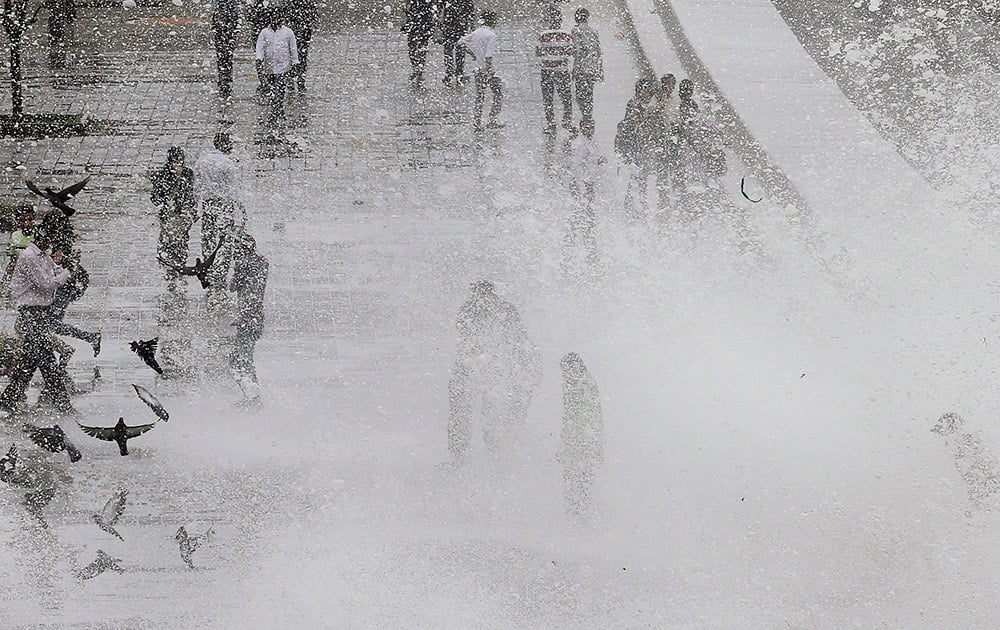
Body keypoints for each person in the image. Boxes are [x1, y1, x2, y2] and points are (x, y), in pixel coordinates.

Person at [447, 280, 541, 463]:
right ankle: (494, 455)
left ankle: (463, 456)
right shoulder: (503, 309)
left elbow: (464, 336)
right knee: (488, 414)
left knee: (466, 414)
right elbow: (518, 339)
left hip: (477, 369)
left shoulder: (470, 309)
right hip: (489, 370)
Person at [0, 222, 74, 416]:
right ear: (43, 237)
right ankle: (63, 403)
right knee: (47, 358)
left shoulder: (43, 256)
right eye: (50, 237)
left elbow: (54, 272)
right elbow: (46, 284)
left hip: (39, 313)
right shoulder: (30, 256)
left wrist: (63, 266)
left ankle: (8, 400)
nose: (51, 241)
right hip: (30, 314)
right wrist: (68, 272)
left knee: (30, 359)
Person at [194, 133, 246, 311]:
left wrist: (196, 205)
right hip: (224, 205)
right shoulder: (227, 164)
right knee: (225, 239)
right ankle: (221, 271)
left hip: (208, 204)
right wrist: (239, 206)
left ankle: (208, 266)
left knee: (208, 236)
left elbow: (197, 185)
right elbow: (233, 188)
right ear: (226, 146)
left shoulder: (202, 161)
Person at [558, 352, 603, 516]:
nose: (564, 375)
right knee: (575, 475)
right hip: (577, 440)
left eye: (566, 370)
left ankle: (579, 510)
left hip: (583, 439)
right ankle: (575, 509)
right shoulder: (575, 384)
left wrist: (587, 442)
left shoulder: (584, 386)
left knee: (581, 476)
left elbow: (584, 417)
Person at [228, 231, 268, 398]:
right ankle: (251, 393)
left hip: (247, 317)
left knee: (239, 360)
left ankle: (252, 395)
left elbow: (232, 286)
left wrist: (237, 267)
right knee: (244, 357)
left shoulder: (243, 263)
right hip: (256, 316)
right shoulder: (262, 262)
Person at [151, 146, 197, 280]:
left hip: (175, 216)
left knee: (173, 242)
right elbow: (155, 197)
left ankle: (174, 268)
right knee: (176, 242)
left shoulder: (180, 174)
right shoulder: (182, 174)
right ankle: (175, 268)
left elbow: (155, 197)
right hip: (175, 215)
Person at [255, 10, 300, 132]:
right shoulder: (264, 33)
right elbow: (260, 47)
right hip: (269, 67)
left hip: (283, 67)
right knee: (272, 89)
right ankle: (278, 109)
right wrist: (259, 59)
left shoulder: (288, 32)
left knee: (280, 90)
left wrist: (295, 62)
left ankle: (275, 112)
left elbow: (293, 48)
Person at [459, 11, 504, 132]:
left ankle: (477, 122)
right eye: (495, 20)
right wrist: (489, 71)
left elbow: (461, 42)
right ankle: (492, 120)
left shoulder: (476, 32)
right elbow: (489, 56)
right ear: (491, 21)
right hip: (489, 70)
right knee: (498, 94)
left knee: (480, 96)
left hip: (477, 69)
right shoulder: (491, 35)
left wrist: (472, 54)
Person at [536, 7, 574, 136]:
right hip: (562, 70)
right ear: (560, 20)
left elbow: (538, 52)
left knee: (548, 98)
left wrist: (549, 52)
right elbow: (571, 51)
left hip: (547, 70)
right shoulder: (567, 35)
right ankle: (567, 121)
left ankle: (551, 124)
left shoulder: (543, 35)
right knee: (566, 97)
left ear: (549, 20)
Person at [571, 7, 602, 126]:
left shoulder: (575, 30)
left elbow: (578, 51)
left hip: (581, 68)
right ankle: (588, 116)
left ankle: (585, 116)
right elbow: (598, 51)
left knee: (580, 94)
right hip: (591, 67)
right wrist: (600, 68)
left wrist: (575, 68)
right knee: (589, 92)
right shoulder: (594, 31)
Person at [402, 0, 437, 87]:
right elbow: (434, 3)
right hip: (423, 18)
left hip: (416, 18)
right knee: (421, 46)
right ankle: (419, 69)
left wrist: (405, 6)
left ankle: (416, 68)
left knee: (413, 46)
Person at [285, 0, 317, 92]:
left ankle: (295, 79)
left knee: (295, 54)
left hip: (299, 27)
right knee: (300, 54)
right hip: (301, 27)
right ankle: (298, 79)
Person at [440, 0, 474, 86]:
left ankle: (449, 73)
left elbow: (441, 5)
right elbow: (470, 8)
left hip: (449, 24)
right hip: (461, 24)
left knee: (449, 49)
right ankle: (459, 74)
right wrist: (471, 23)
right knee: (460, 49)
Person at [212, 0, 240, 98]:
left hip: (224, 32)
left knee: (224, 57)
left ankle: (224, 79)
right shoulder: (230, 8)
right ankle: (225, 79)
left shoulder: (222, 9)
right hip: (225, 32)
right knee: (226, 57)